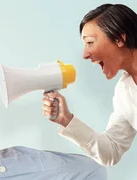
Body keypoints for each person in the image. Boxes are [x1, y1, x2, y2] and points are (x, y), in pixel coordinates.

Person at [42, 4, 137, 166]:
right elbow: (111, 150)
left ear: (119, 39)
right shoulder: (124, 92)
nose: (85, 54)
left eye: (90, 42)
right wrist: (66, 119)